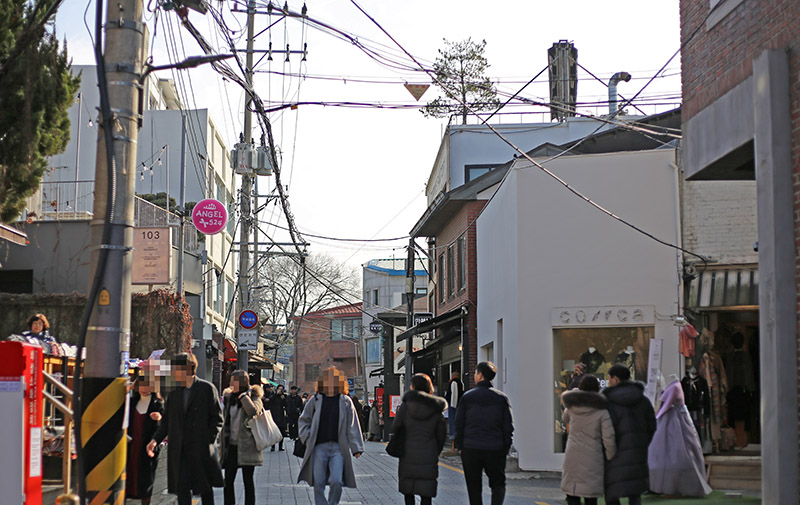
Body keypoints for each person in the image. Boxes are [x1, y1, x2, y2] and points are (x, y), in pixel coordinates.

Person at [147, 353, 224, 505]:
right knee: (182, 489)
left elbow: (217, 418)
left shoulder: (206, 389)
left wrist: (208, 439)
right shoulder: (175, 393)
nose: (173, 373)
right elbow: (167, 421)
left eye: (176, 369)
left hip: (200, 449)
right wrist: (155, 440)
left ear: (187, 368)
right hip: (180, 450)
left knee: (205, 489)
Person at [297, 367, 364, 505]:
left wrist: (356, 448)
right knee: (318, 482)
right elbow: (304, 420)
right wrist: (307, 437)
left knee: (337, 481)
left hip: (338, 448)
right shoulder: (315, 400)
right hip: (318, 447)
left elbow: (353, 425)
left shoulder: (345, 401)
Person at [454, 362, 514, 505]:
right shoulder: (501, 398)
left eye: (475, 373)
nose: (474, 376)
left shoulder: (467, 397)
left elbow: (459, 423)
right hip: (495, 448)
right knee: (498, 483)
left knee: (474, 486)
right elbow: (508, 426)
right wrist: (505, 447)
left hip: (471, 447)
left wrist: (460, 445)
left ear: (480, 375)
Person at [602, 363, 657, 505]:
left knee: (612, 490)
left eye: (610, 378)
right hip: (637, 451)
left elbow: (605, 426)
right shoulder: (642, 399)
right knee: (635, 491)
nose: (609, 381)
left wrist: (606, 447)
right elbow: (652, 424)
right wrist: (642, 442)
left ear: (616, 379)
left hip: (614, 451)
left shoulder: (608, 400)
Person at [560, 375, 616, 505]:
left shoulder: (572, 406)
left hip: (573, 452)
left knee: (572, 492)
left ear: (580, 387)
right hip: (593, 454)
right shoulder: (602, 410)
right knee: (590, 495)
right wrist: (610, 455)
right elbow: (608, 436)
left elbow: (564, 418)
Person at [393, 373, 447, 505]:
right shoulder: (436, 408)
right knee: (426, 493)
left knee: (409, 492)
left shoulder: (406, 406)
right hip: (428, 454)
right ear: (429, 387)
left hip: (408, 454)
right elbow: (441, 435)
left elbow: (396, 426)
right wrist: (435, 451)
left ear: (412, 386)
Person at [221, 370, 265, 505]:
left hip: (247, 445)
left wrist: (243, 397)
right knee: (228, 480)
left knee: (248, 480)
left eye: (233, 381)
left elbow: (253, 411)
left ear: (241, 382)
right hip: (231, 445)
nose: (230, 384)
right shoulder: (229, 398)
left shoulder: (254, 396)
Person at [126, 367, 163, 505]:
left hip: (147, 448)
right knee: (128, 477)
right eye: (141, 384)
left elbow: (165, 426)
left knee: (146, 481)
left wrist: (159, 419)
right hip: (130, 445)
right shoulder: (131, 402)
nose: (144, 388)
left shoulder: (157, 404)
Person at [444, 371, 464, 440]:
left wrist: (453, 404)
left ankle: (453, 435)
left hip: (453, 404)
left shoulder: (454, 382)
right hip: (457, 404)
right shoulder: (460, 383)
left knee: (452, 420)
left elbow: (454, 394)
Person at [269, 384, 289, 451]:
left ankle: (280, 446)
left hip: (281, 415)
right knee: (273, 431)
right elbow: (270, 401)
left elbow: (286, 405)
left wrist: (283, 399)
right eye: (279, 389)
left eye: (281, 389)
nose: (280, 390)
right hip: (274, 415)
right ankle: (273, 446)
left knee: (282, 431)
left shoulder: (284, 397)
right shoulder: (273, 396)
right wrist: (276, 394)